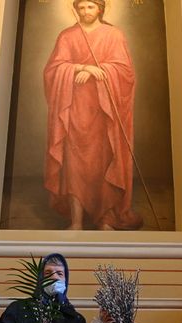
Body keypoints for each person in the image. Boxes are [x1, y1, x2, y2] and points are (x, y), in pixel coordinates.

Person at [43, 0, 141, 230]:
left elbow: (126, 71)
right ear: (76, 9)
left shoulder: (113, 35)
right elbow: (53, 69)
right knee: (75, 164)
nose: (85, 12)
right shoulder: (67, 36)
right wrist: (82, 68)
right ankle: (76, 221)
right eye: (81, 7)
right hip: (74, 110)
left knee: (104, 161)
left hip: (104, 112)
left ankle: (105, 219)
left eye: (90, 7)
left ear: (100, 8)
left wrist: (103, 70)